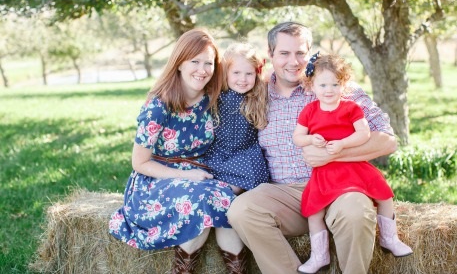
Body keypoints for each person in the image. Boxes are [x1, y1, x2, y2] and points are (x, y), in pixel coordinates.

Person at [227, 22, 398, 274]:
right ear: (271, 54)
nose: (293, 61)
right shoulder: (255, 92)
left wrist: (333, 153)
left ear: (310, 54)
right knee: (242, 210)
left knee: (355, 213)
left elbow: (387, 140)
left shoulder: (332, 87)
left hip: (340, 187)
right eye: (284, 53)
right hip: (288, 194)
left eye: (300, 53)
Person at [109, 28, 247, 274]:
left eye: (208, 63)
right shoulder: (159, 106)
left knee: (232, 204)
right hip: (157, 180)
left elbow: (248, 80)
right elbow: (140, 163)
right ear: (179, 63)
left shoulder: (213, 99)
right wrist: (187, 176)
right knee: (201, 202)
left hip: (202, 176)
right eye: (194, 61)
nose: (202, 70)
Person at [293, 52, 412, 273]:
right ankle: (319, 256)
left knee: (384, 195)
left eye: (335, 84)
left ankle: (389, 238)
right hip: (325, 171)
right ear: (312, 85)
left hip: (352, 165)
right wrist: (310, 139)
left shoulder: (350, 108)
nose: (329, 90)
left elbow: (364, 134)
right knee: (314, 212)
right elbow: (297, 138)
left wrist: (341, 144)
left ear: (344, 84)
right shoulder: (309, 111)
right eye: (323, 85)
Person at [204, 42, 270, 195]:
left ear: (256, 74)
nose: (243, 79)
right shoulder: (216, 94)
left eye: (249, 74)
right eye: (236, 73)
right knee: (212, 186)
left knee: (234, 189)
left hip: (245, 156)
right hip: (218, 155)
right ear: (225, 72)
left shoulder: (256, 96)